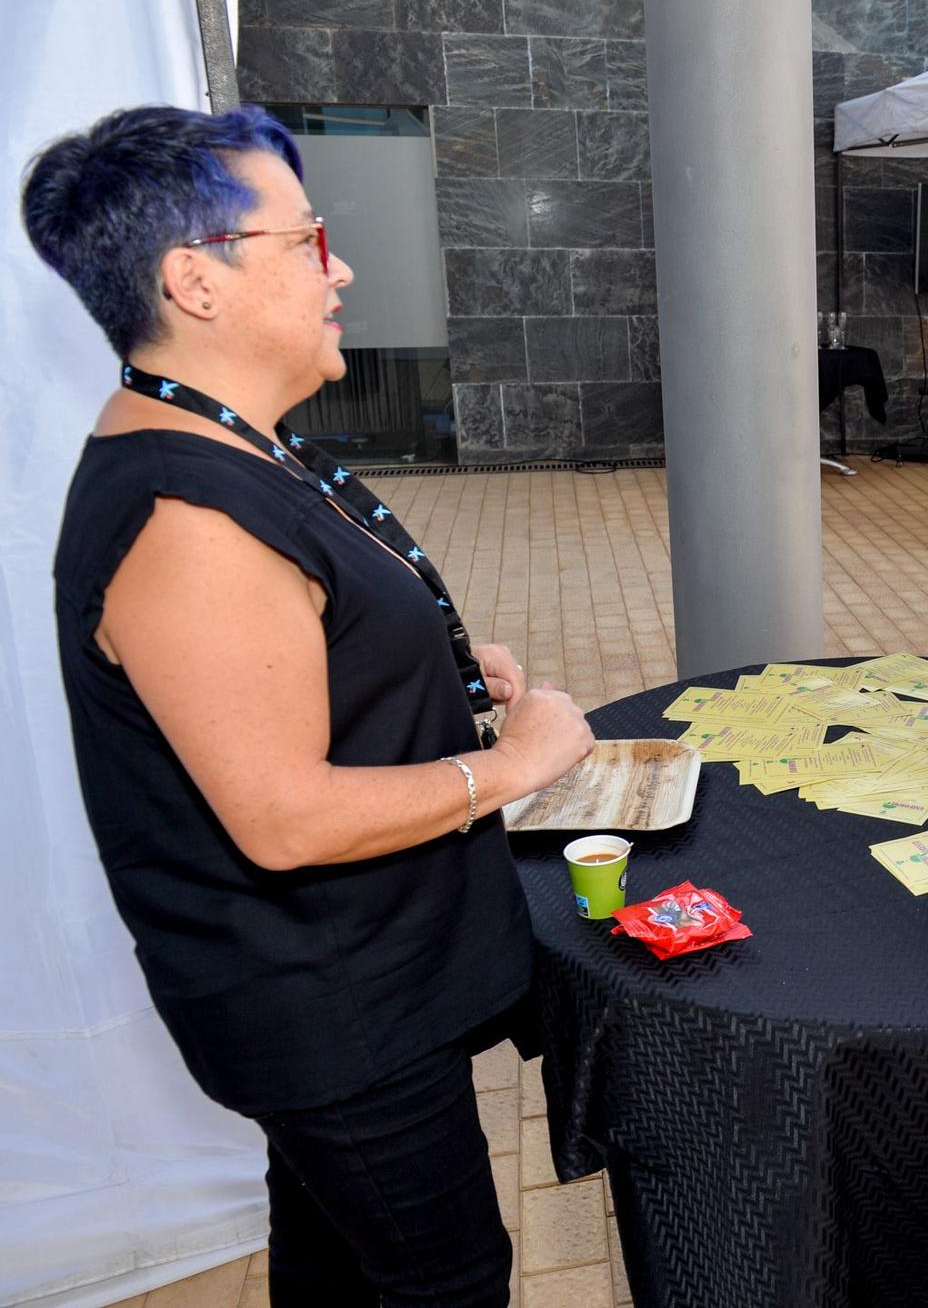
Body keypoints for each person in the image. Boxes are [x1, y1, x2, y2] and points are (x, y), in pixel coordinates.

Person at [23, 105, 596, 1305]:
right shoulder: (187, 517)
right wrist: (514, 764)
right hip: (331, 1008)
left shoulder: (238, 444)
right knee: (441, 1279)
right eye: (307, 240)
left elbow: (290, 659)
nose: (342, 268)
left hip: (355, 979)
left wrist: (420, 669)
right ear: (196, 279)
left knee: (336, 1257)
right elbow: (283, 816)